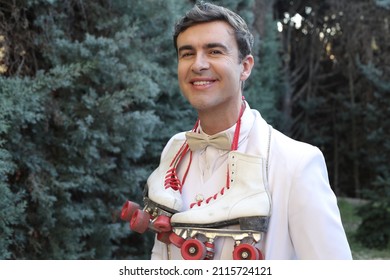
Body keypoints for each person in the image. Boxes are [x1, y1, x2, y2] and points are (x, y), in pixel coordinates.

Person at [144, 2, 352, 260]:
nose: (198, 64)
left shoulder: (296, 164)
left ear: (245, 67)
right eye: (187, 53)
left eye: (214, 51)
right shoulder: (173, 150)